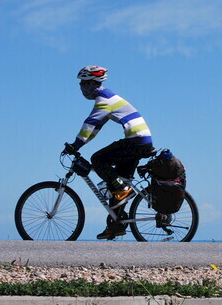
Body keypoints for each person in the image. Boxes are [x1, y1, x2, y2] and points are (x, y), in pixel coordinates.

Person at [64, 65, 154, 240]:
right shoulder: (108, 99)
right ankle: (115, 226)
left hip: (136, 141)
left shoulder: (104, 100)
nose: (81, 87)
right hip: (140, 140)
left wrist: (75, 145)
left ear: (92, 83)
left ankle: (124, 189)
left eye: (83, 83)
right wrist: (80, 144)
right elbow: (95, 128)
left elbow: (89, 123)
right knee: (117, 185)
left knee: (98, 159)